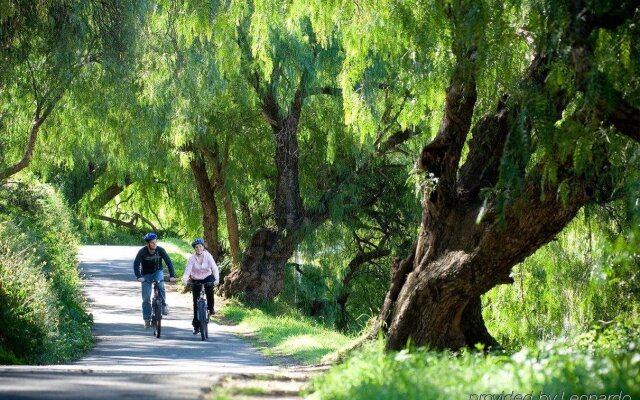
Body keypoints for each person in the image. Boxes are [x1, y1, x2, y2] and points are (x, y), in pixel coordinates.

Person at [133, 232, 177, 328]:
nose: (154, 244)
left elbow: (169, 263)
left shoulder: (160, 250)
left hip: (157, 272)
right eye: (152, 243)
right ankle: (147, 318)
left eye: (155, 242)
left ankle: (164, 305)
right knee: (146, 298)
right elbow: (136, 264)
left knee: (161, 285)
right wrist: (138, 276)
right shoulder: (142, 252)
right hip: (145, 275)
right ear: (147, 244)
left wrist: (172, 275)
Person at [182, 238, 219, 335]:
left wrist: (217, 279)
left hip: (207, 277)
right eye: (196, 247)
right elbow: (187, 271)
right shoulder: (191, 258)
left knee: (209, 289)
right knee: (196, 302)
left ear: (203, 247)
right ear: (194, 248)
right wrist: (185, 280)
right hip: (196, 279)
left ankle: (211, 308)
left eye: (200, 246)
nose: (199, 248)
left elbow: (214, 267)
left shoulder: (208, 256)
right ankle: (196, 325)